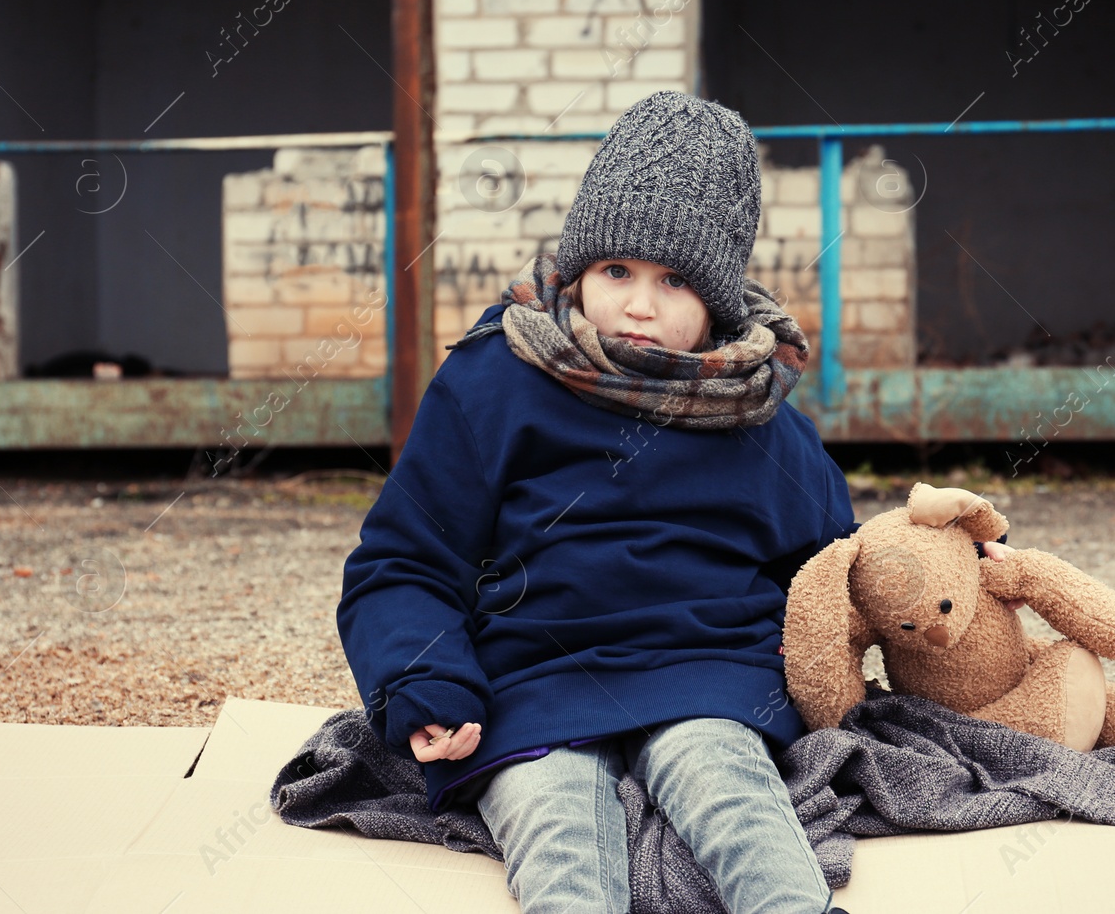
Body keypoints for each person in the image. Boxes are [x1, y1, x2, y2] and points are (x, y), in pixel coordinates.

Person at [337, 90, 856, 914]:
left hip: (707, 675)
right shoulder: (497, 378)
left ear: (719, 301)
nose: (639, 305)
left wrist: (951, 565)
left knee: (732, 794)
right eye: (617, 270)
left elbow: (840, 566)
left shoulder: (752, 411)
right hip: (533, 676)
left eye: (675, 280)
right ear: (580, 268)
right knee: (559, 829)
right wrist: (426, 679)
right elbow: (404, 560)